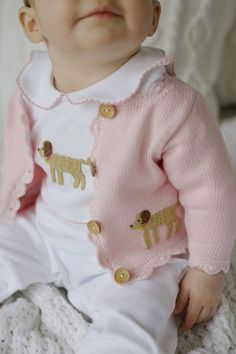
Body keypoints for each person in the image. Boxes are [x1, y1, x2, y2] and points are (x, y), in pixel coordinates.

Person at [0, 0, 235, 353]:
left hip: (139, 256)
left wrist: (207, 268)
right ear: (33, 24)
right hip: (46, 230)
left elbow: (211, 190)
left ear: (153, 17)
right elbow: (21, 166)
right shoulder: (33, 89)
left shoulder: (170, 104)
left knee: (135, 329)